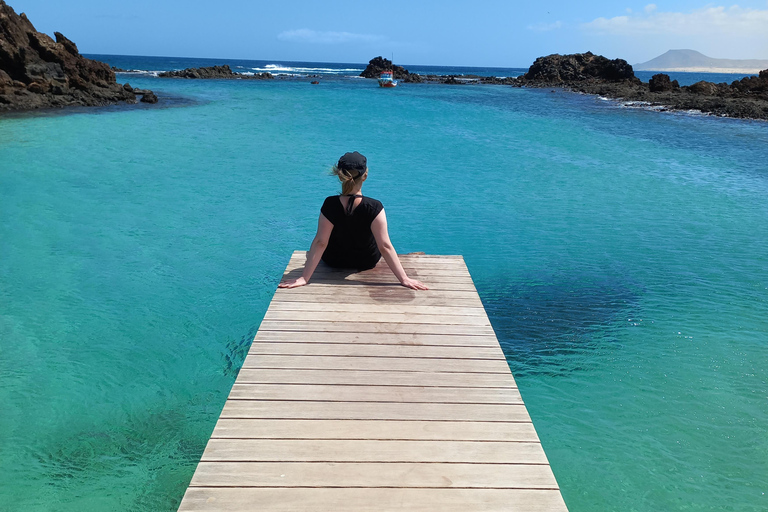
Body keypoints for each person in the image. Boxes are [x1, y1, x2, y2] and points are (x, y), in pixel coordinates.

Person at [279, 151, 428, 290]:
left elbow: (321, 242)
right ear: (365, 176)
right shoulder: (375, 206)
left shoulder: (330, 204)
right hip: (366, 261)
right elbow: (385, 246)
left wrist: (304, 278)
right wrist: (404, 279)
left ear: (339, 176)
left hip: (333, 260)